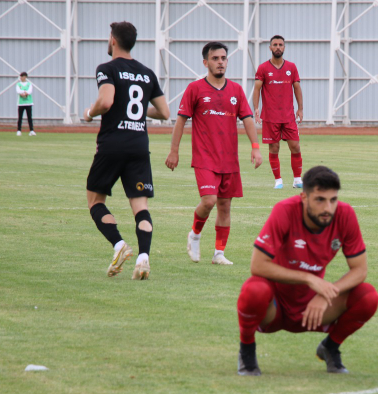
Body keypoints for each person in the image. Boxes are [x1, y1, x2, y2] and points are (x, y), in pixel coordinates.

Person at [236, 166, 378, 376]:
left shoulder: (345, 214)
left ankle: (330, 347)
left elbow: (360, 270)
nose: (328, 208)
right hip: (275, 308)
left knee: (368, 296)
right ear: (304, 197)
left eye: (333, 200)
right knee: (253, 289)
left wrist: (327, 293)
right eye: (320, 199)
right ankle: (246, 349)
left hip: (313, 310)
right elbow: (257, 266)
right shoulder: (284, 210)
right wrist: (309, 279)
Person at [82, 21, 170, 280]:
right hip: (139, 145)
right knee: (140, 206)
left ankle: (120, 246)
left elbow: (106, 101)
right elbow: (164, 112)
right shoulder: (147, 73)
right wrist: (139, 110)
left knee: (95, 201)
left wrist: (89, 113)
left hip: (112, 144)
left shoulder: (106, 68)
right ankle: (144, 257)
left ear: (113, 40)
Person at [166, 42, 263, 266]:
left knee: (225, 206)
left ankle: (219, 253)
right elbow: (181, 120)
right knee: (209, 201)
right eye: (215, 58)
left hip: (229, 159)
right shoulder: (195, 89)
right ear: (206, 62)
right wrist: (174, 151)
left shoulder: (236, 90)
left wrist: (255, 148)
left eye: (223, 58)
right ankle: (195, 234)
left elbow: (247, 119)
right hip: (204, 158)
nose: (220, 62)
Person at [252, 35, 304, 190]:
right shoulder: (263, 68)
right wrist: (256, 108)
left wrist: (300, 108)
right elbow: (257, 89)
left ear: (284, 47)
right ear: (270, 48)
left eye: (280, 45)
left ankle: (297, 179)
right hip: (270, 117)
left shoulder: (291, 67)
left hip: (288, 116)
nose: (278, 47)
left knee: (295, 146)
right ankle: (278, 180)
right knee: (274, 148)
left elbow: (297, 88)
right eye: (275, 45)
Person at [16, 72, 35, 136]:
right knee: (20, 117)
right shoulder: (18, 84)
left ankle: (31, 130)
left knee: (29, 117)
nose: (20, 78)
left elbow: (30, 91)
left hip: (28, 102)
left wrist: (25, 93)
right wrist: (23, 92)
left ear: (25, 77)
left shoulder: (29, 84)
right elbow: (18, 91)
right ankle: (19, 130)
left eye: (21, 76)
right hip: (21, 103)